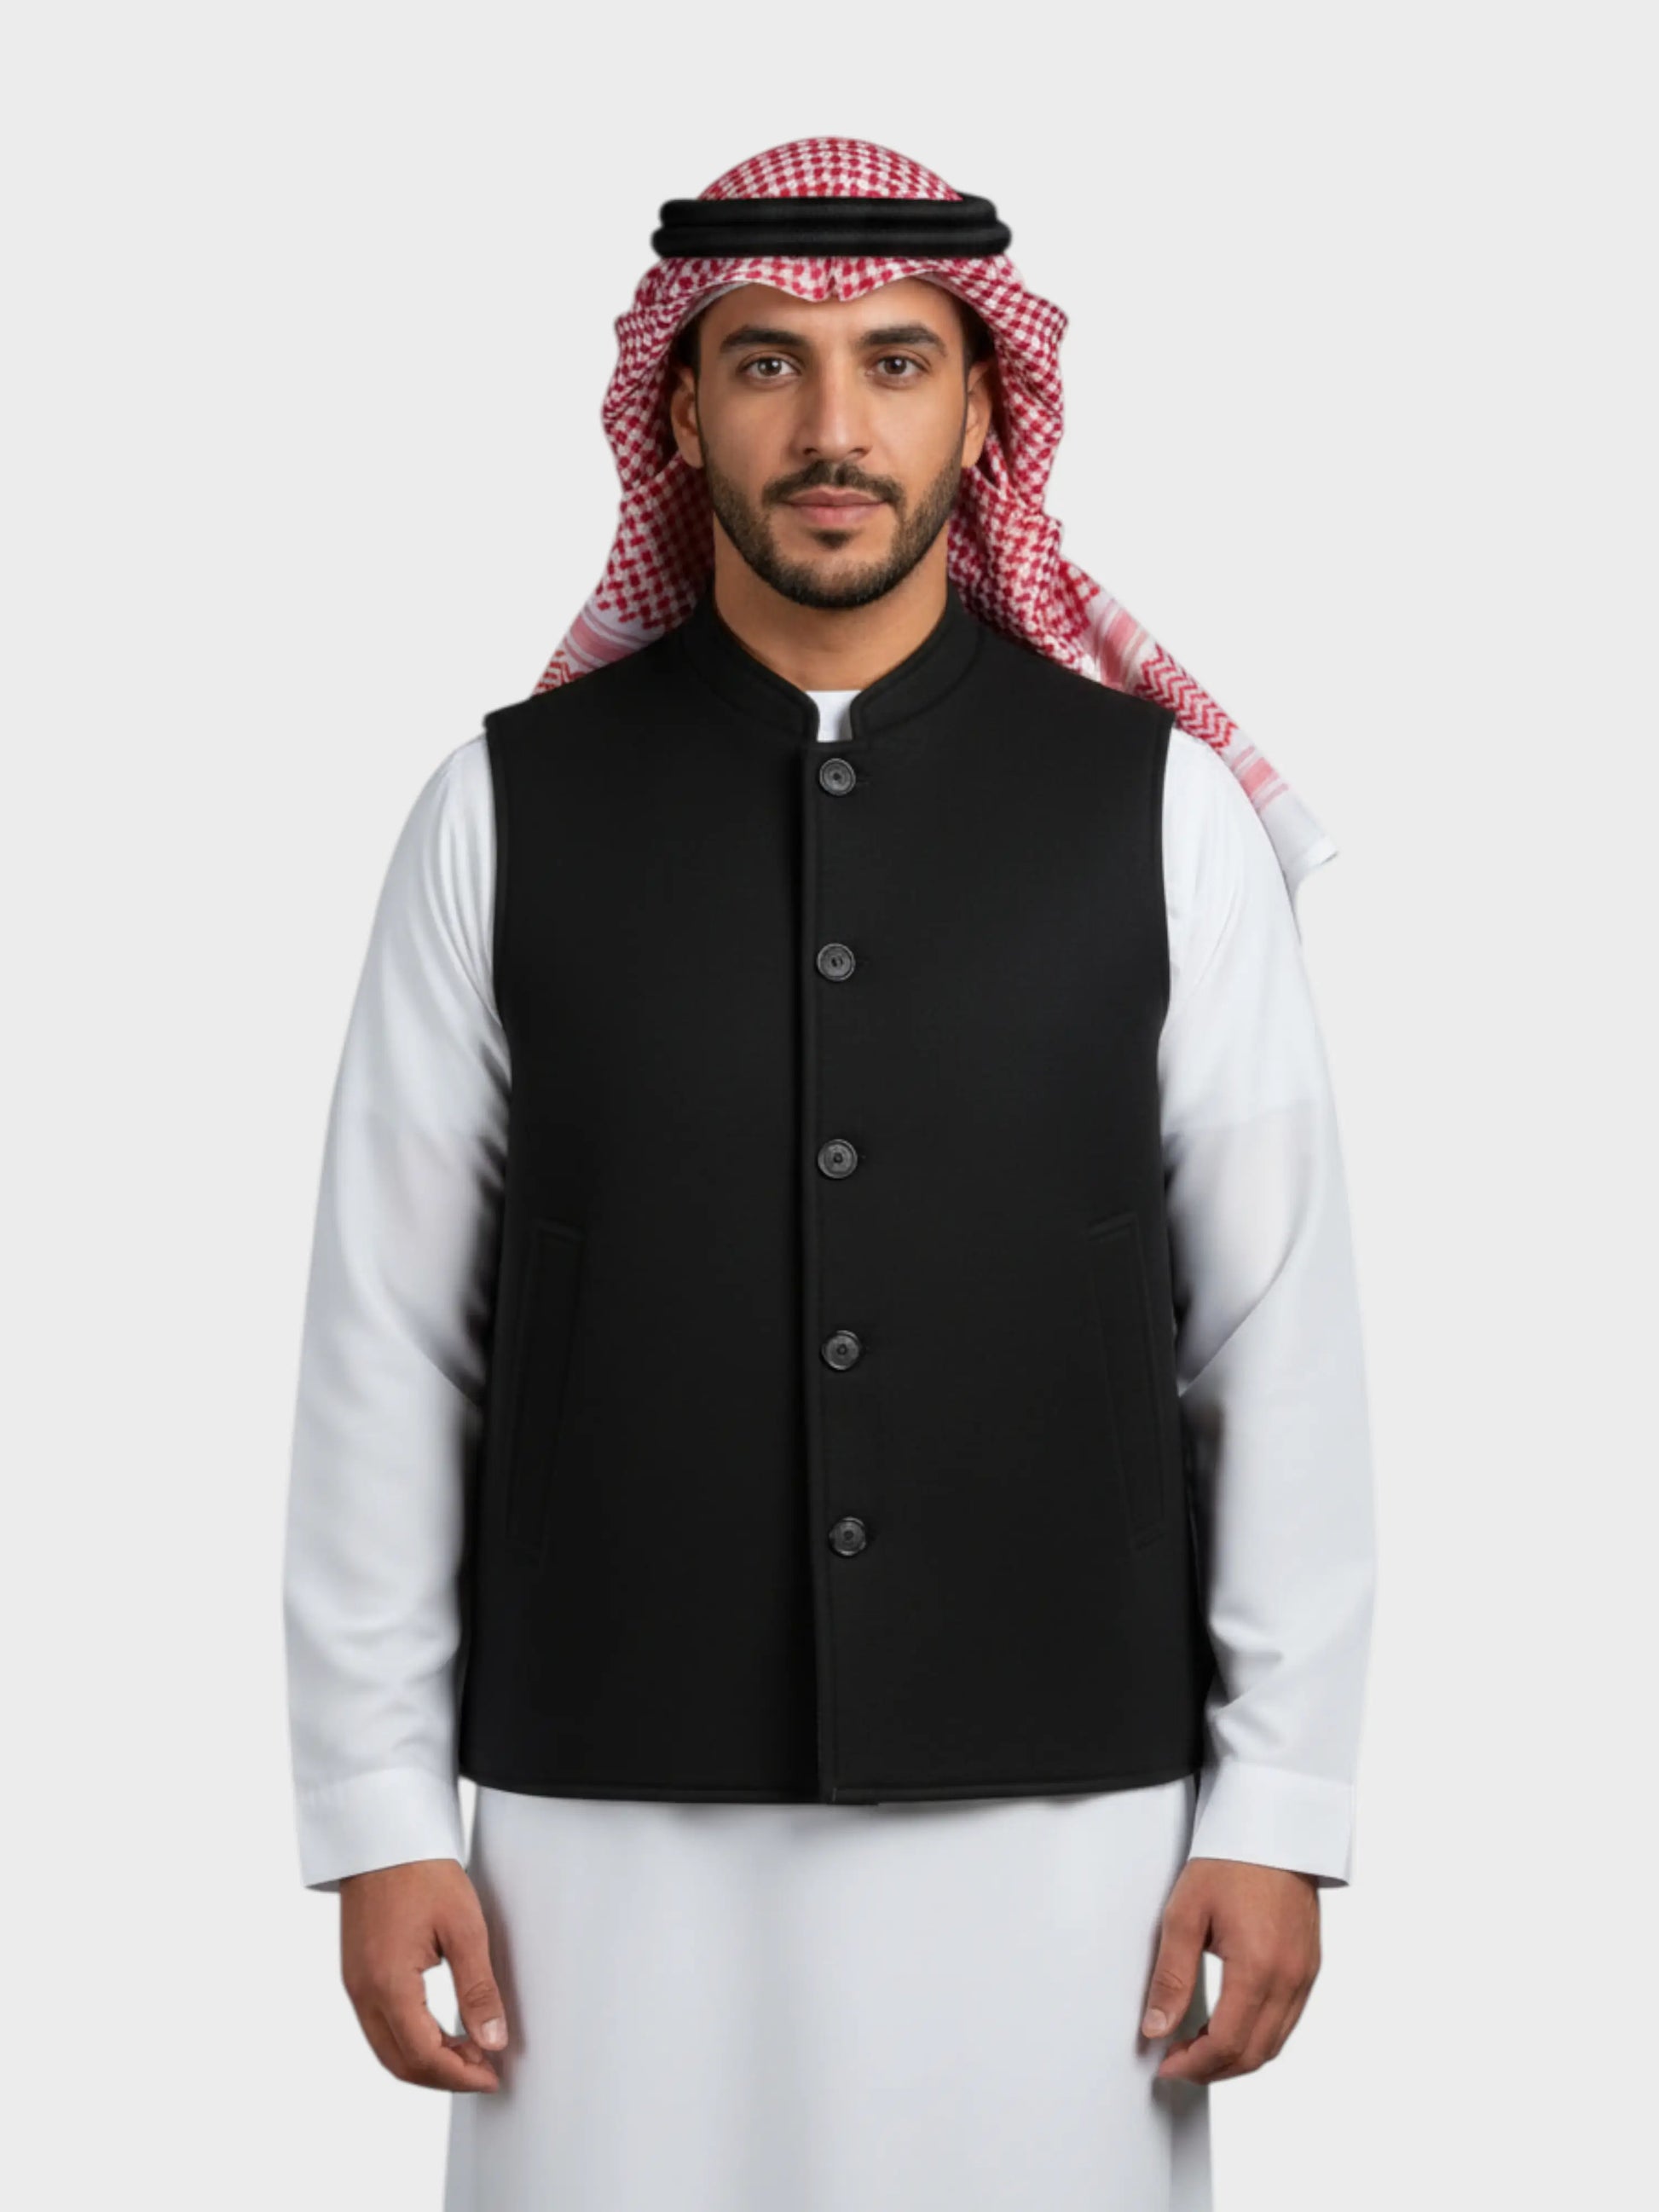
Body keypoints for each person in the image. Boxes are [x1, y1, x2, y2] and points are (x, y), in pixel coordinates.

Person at [282, 136, 1377, 2212]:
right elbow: (390, 1340)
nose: (833, 430)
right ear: (679, 413)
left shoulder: (1161, 818)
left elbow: (1274, 1335)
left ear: (983, 409)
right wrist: (376, 1805)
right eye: (766, 363)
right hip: (599, 1836)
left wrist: (1280, 1800)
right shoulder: (500, 811)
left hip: (1070, 1833)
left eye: (895, 360)